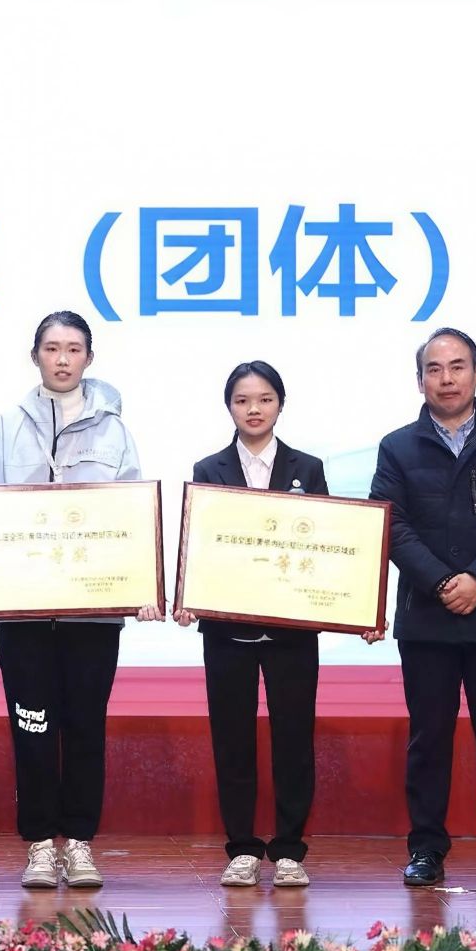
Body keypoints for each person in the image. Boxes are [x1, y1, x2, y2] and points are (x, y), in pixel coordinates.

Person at [0, 311, 162, 890]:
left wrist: (140, 588)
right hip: (23, 613)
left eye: (74, 348)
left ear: (89, 358)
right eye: (52, 348)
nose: (63, 359)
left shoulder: (115, 432)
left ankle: (80, 841)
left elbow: (130, 518)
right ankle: (40, 844)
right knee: (32, 726)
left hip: (92, 614)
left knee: (86, 727)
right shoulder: (2, 427)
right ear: (36, 356)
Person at [367, 327, 476, 888]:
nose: (446, 379)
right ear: (419, 380)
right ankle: (426, 849)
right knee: (428, 741)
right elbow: (390, 523)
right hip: (427, 616)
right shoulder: (397, 446)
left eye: (458, 366)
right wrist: (444, 582)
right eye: (435, 369)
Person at [172, 361, 329, 889]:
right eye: (242, 400)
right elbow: (198, 543)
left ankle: (289, 849)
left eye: (264, 399)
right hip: (227, 632)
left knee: (293, 739)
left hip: (292, 633)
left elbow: (325, 545)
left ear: (280, 404)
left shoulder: (308, 467)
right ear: (229, 407)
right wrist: (189, 595)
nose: (254, 409)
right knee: (233, 739)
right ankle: (241, 847)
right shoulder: (209, 467)